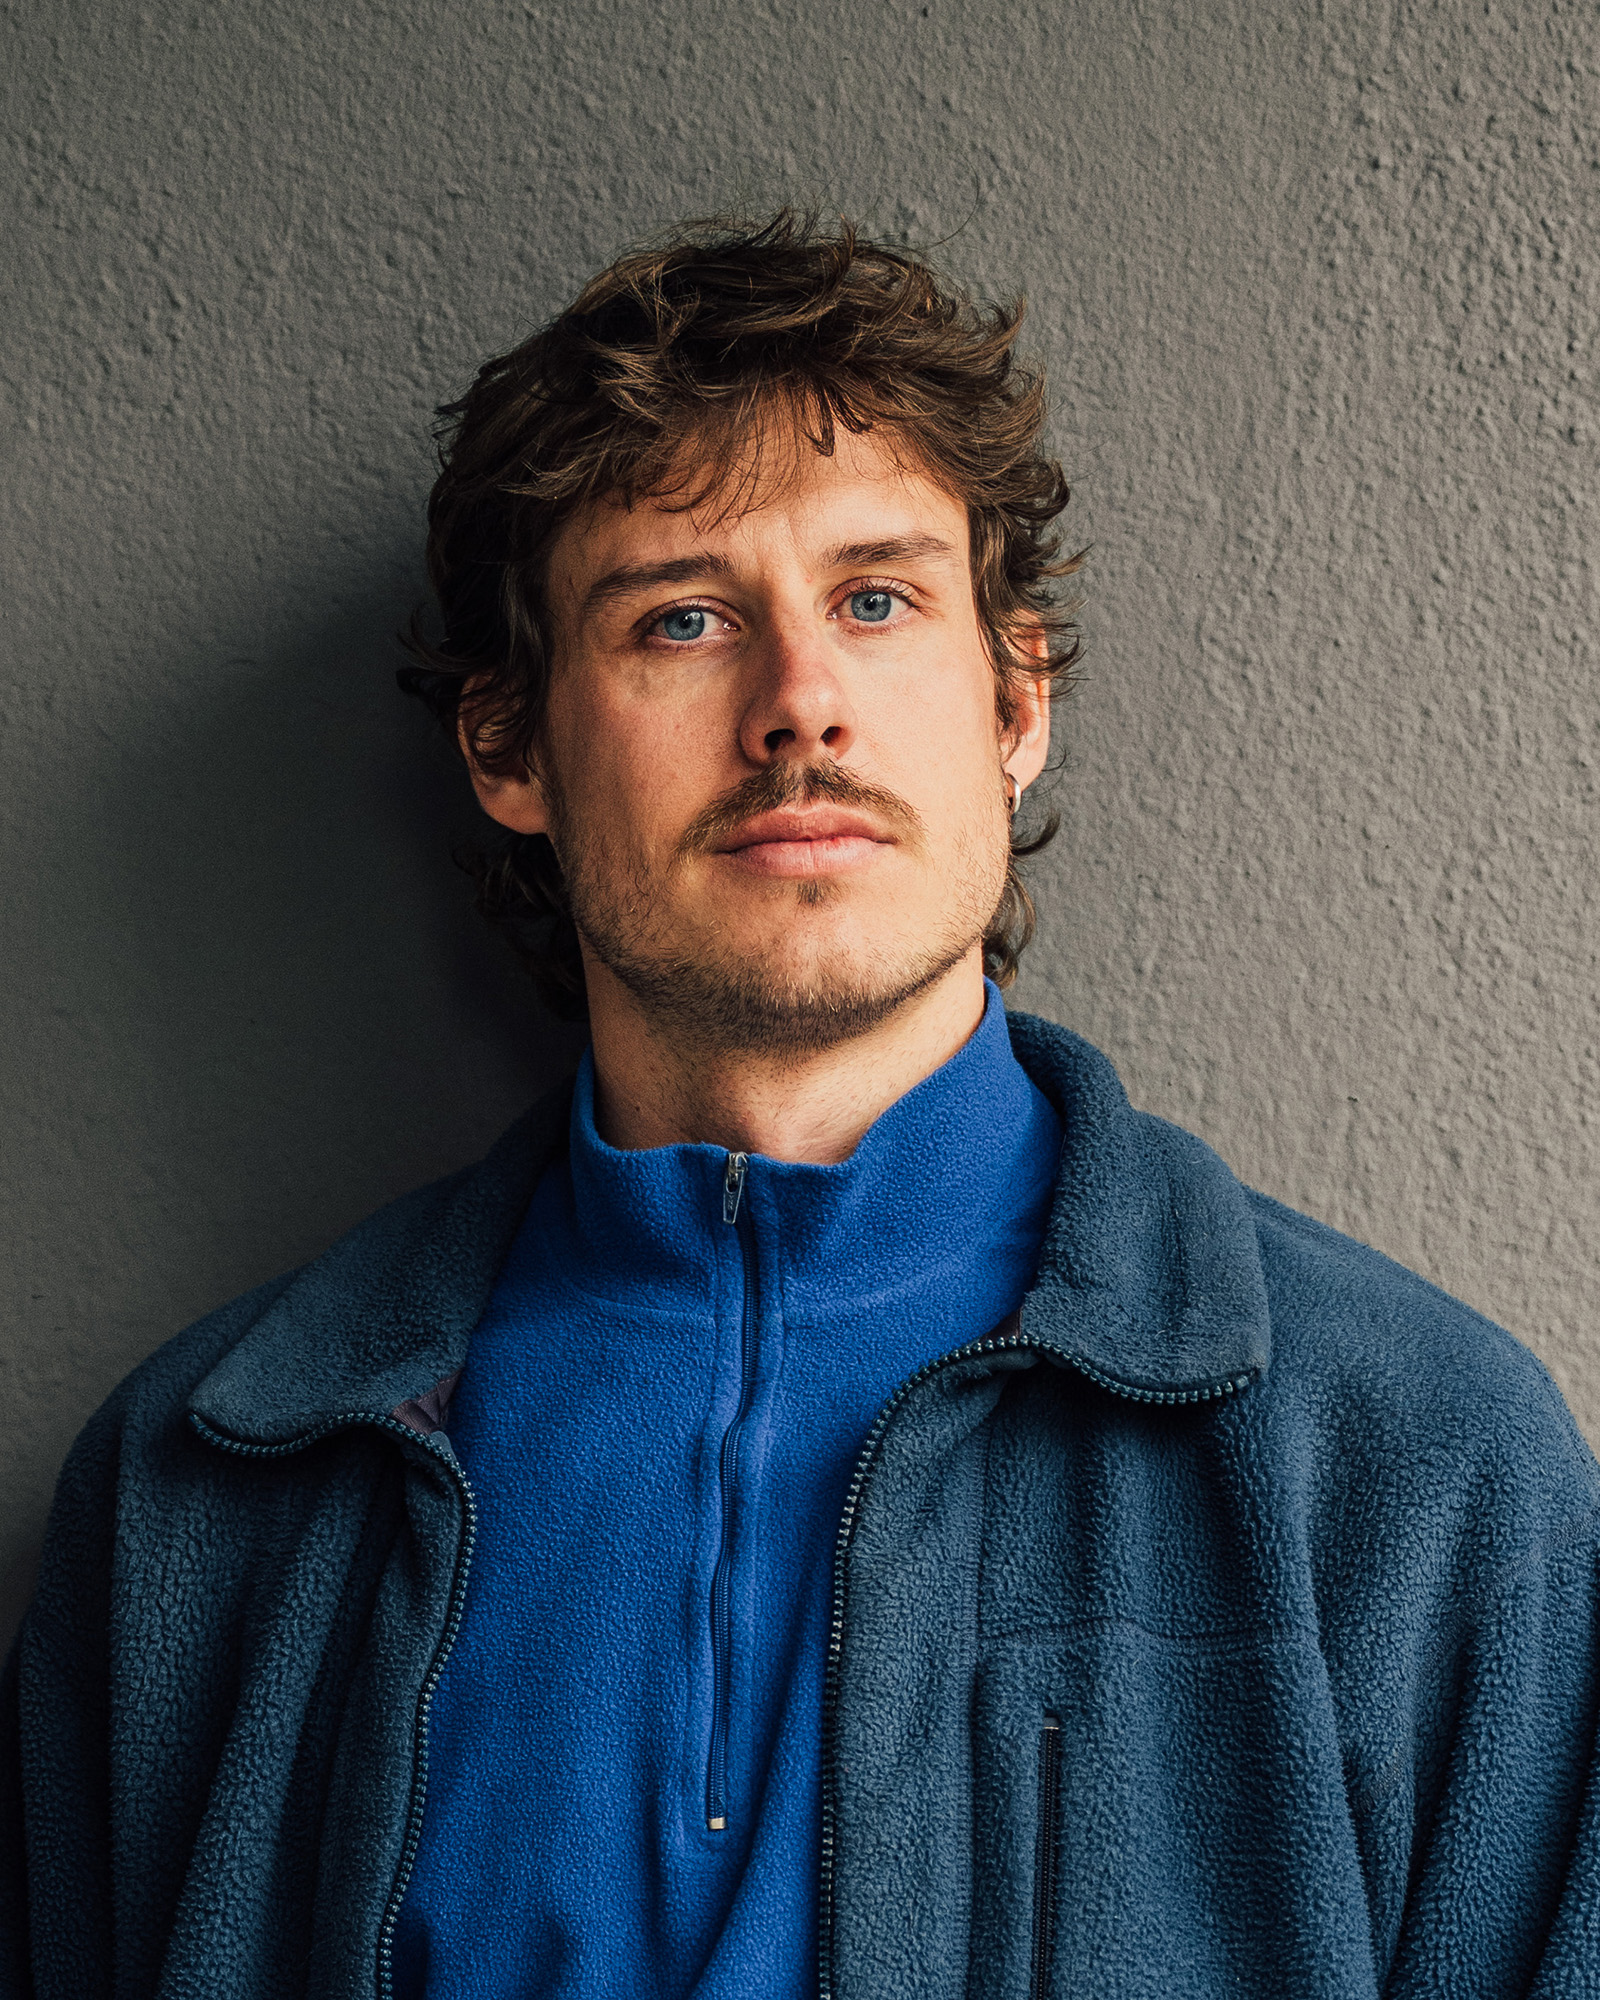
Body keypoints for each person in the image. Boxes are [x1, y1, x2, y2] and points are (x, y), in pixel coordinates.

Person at [2, 211, 1597, 2000]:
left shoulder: (1420, 1470)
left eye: (877, 599)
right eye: (683, 619)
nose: (799, 706)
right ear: (509, 747)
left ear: (1015, 700)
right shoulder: (201, 1498)